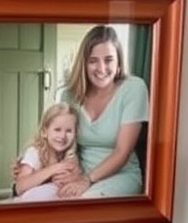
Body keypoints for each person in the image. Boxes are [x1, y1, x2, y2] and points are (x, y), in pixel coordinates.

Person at [53, 25, 149, 198]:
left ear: (118, 61)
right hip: (78, 173)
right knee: (37, 198)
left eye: (108, 60)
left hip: (120, 176)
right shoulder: (68, 95)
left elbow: (122, 152)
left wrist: (86, 179)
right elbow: (62, 142)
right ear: (84, 63)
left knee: (82, 204)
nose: (101, 68)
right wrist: (28, 164)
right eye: (93, 61)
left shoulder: (134, 88)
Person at [13, 104, 81, 201]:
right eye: (57, 130)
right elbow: (19, 187)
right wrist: (55, 168)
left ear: (75, 133)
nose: (62, 136)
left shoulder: (70, 155)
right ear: (44, 132)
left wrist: (71, 177)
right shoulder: (34, 152)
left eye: (69, 131)